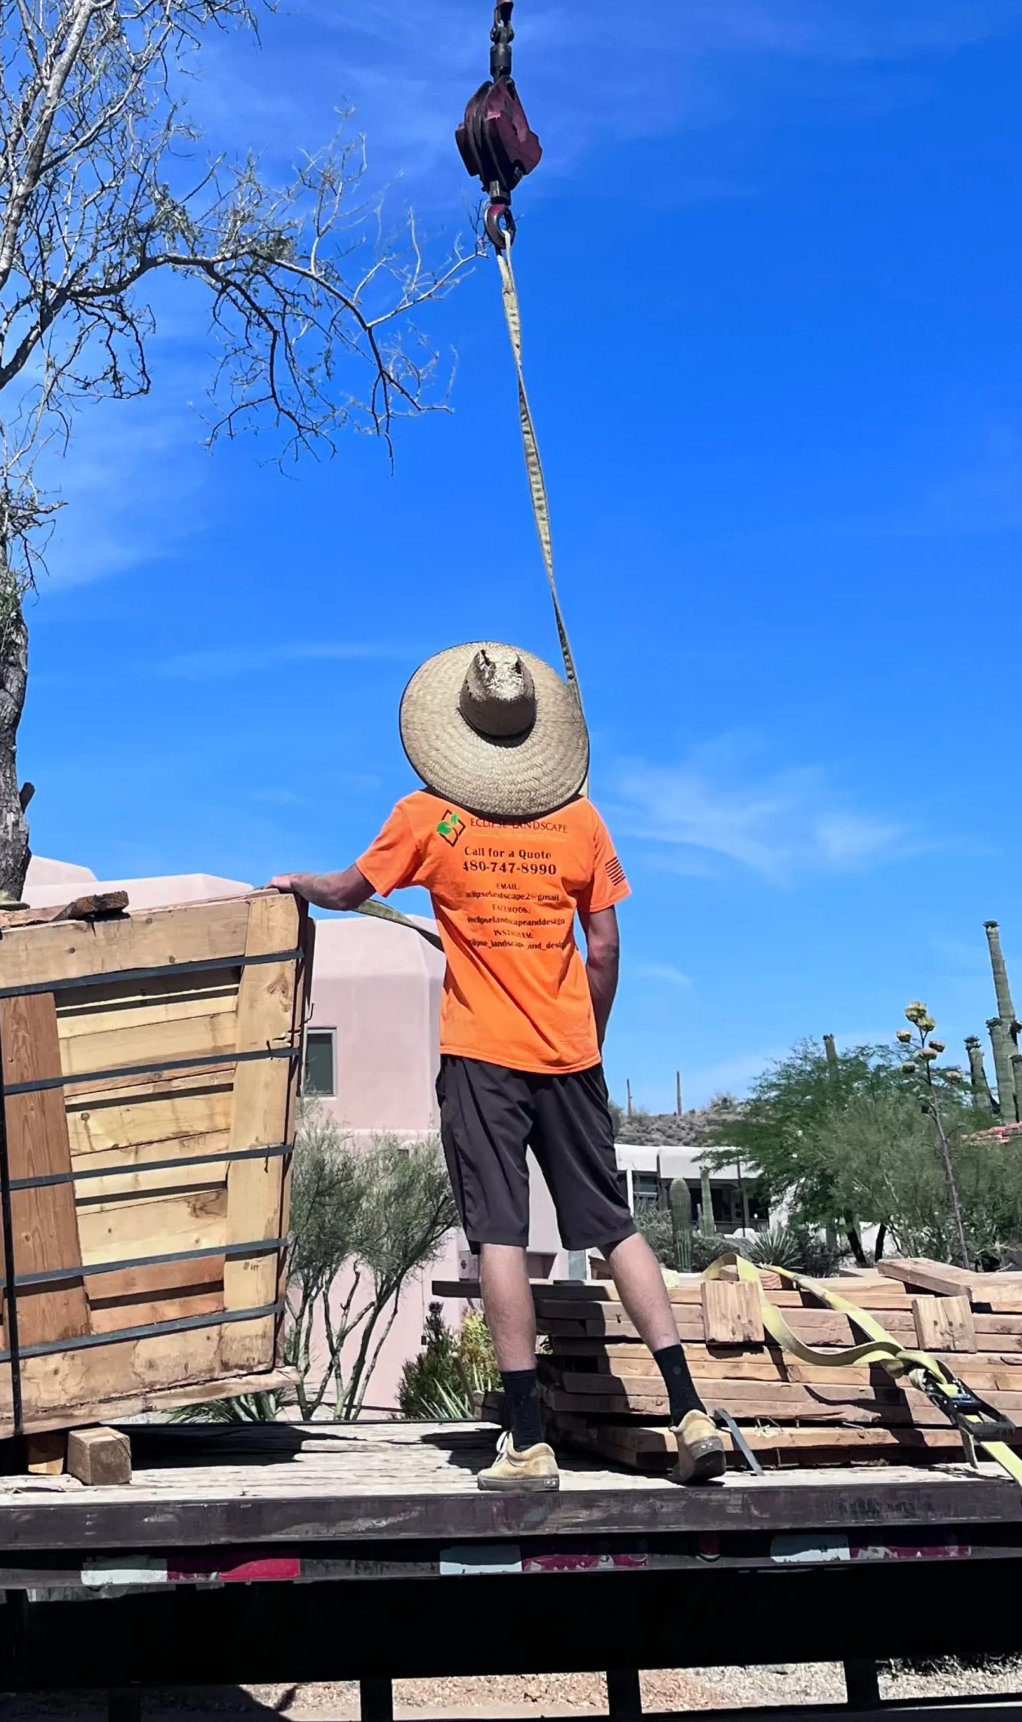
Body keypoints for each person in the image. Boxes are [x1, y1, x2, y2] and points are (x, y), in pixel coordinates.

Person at [273, 639, 725, 1491]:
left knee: (500, 1235)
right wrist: (586, 1035)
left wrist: (295, 885)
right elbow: (605, 946)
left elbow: (347, 891)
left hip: (483, 1057)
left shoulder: (429, 820)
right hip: (570, 1055)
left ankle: (526, 1439)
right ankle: (689, 1408)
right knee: (614, 1224)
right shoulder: (581, 821)